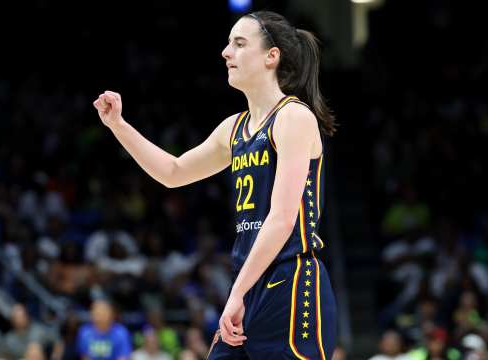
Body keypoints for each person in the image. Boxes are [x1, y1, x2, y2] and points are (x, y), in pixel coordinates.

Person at [93, 10, 337, 360]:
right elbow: (173, 173)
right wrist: (118, 125)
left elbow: (283, 218)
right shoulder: (233, 129)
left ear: (272, 56)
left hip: (291, 281)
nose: (226, 52)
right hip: (248, 282)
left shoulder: (293, 118)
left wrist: (236, 292)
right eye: (228, 43)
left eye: (239, 44)